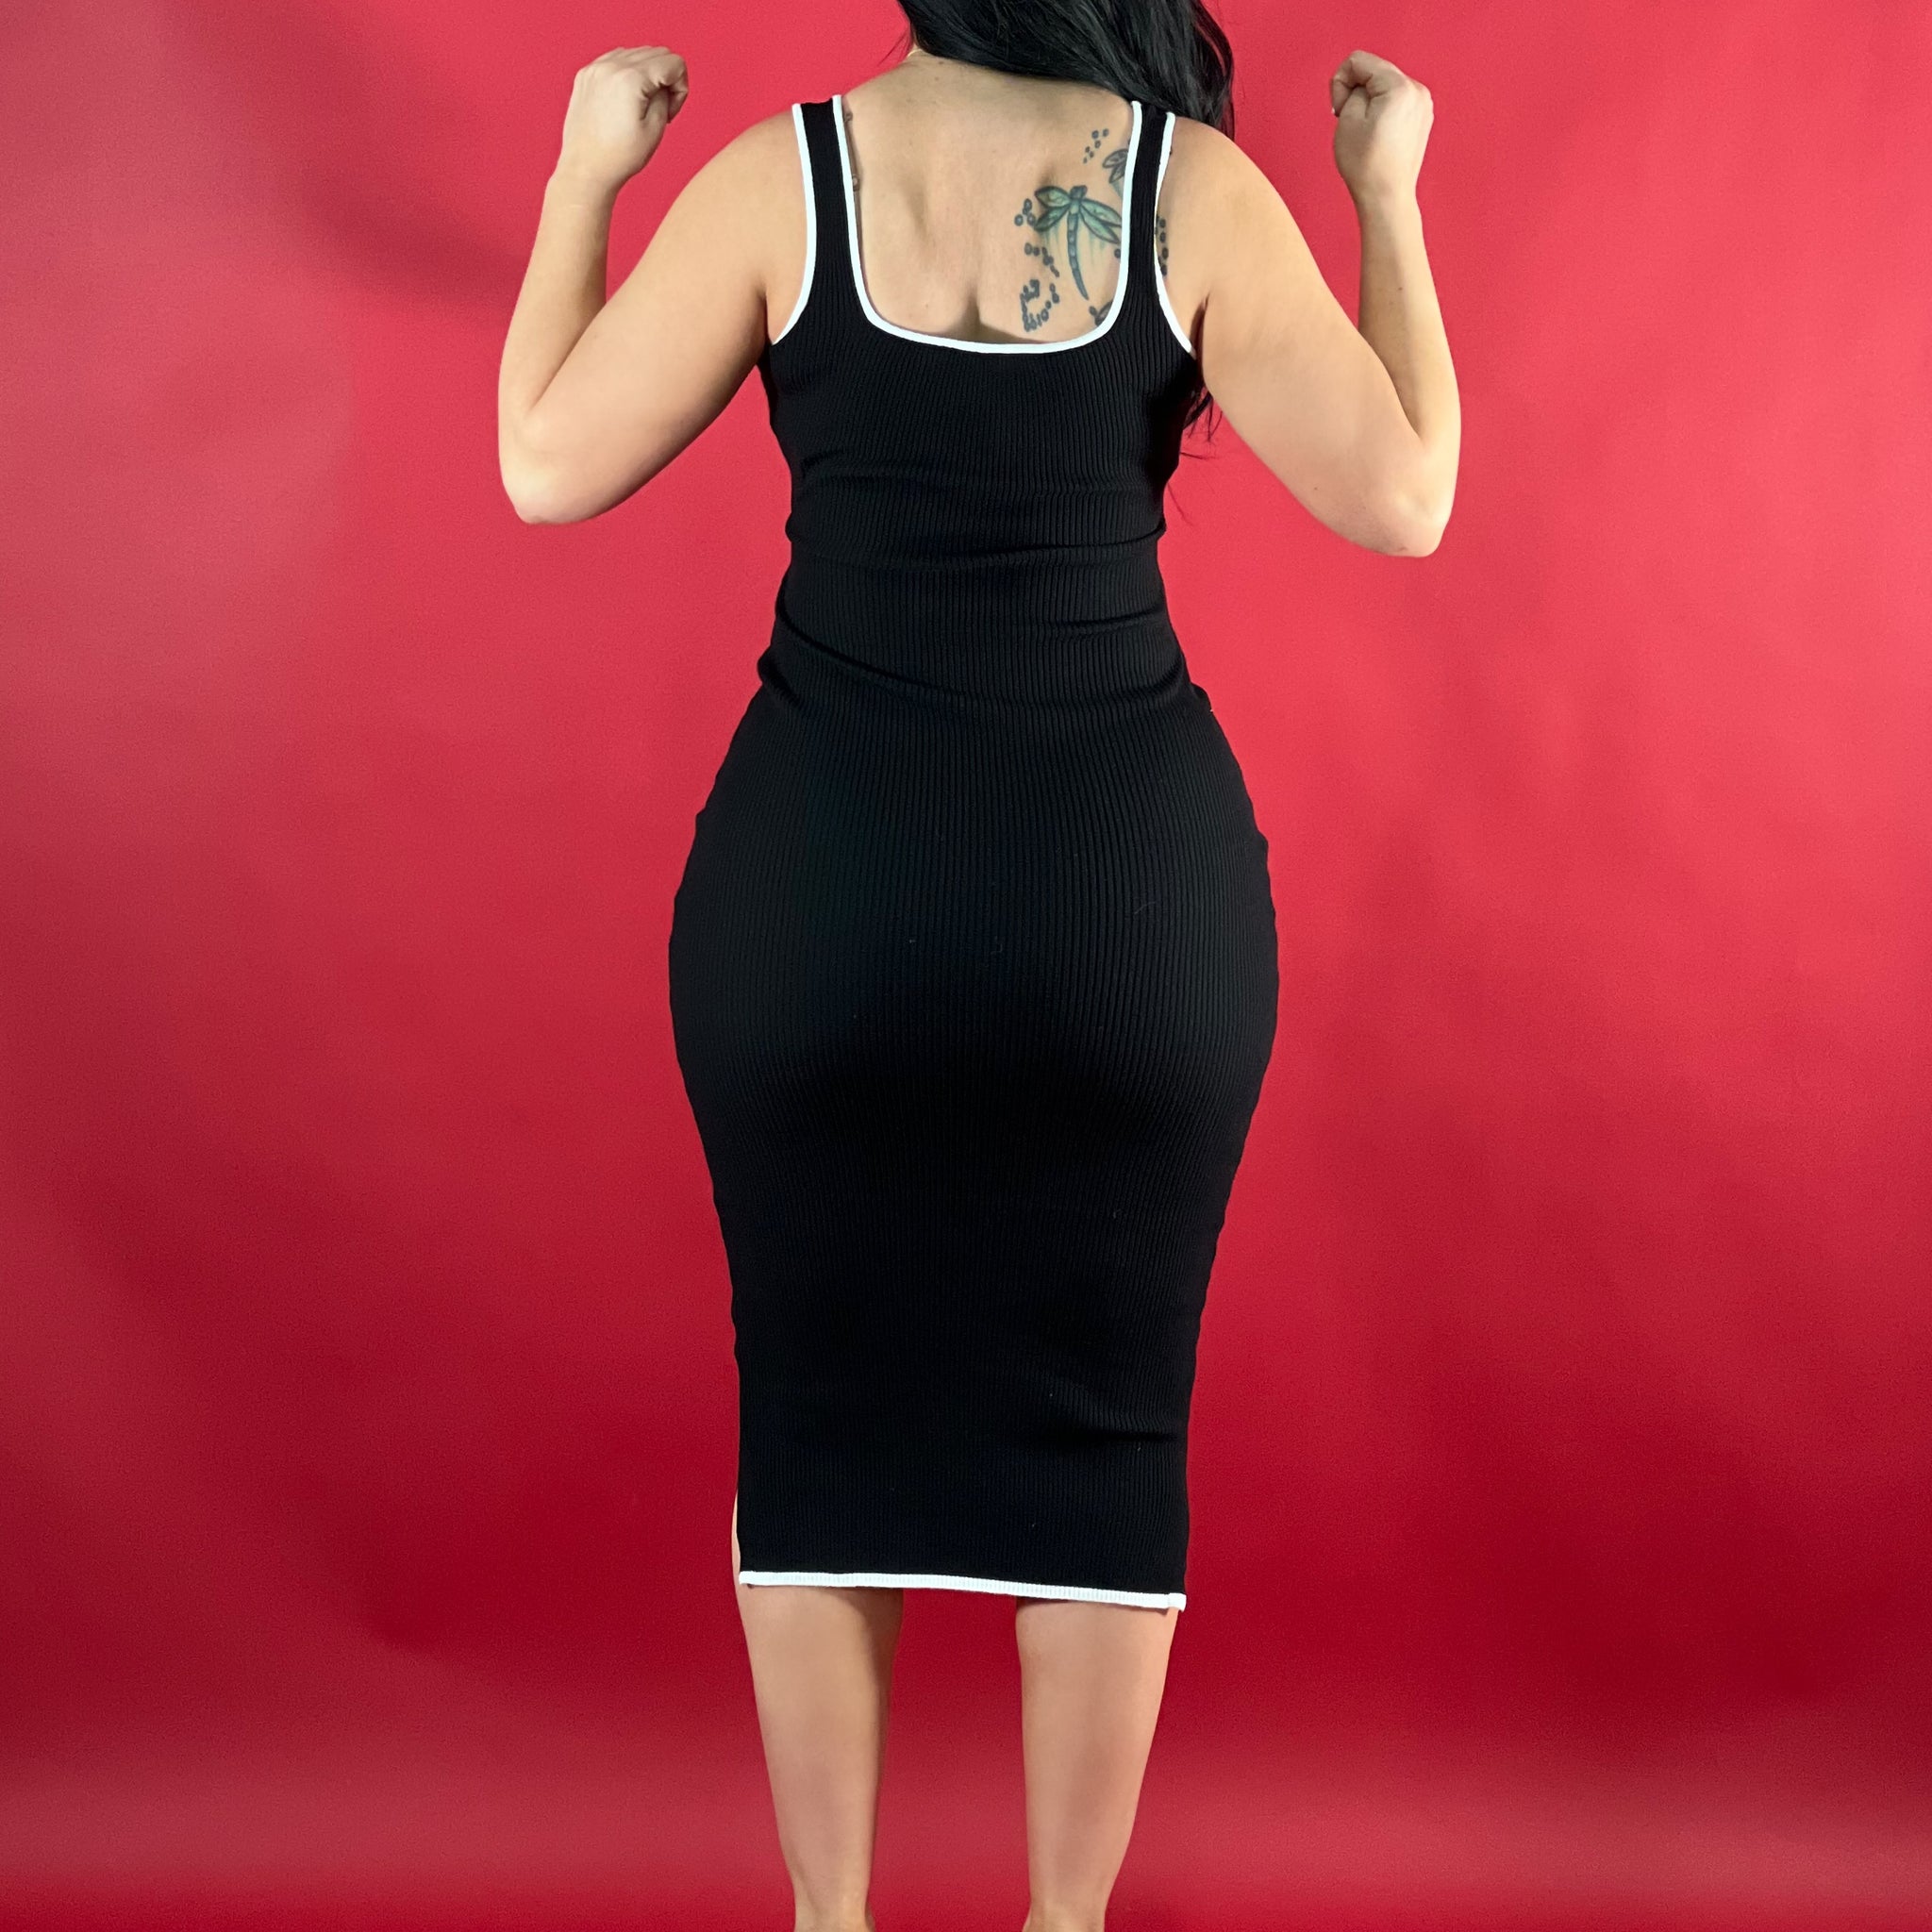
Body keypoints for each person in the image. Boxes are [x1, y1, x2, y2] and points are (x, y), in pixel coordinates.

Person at [498, 7, 1457, 1926]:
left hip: (820, 904)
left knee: (818, 1406)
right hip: (1124, 918)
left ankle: (830, 1919)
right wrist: (1386, 199)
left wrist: (584, 176)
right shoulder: (1189, 193)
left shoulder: (782, 180)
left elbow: (544, 462)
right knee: (1106, 1418)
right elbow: (1408, 493)